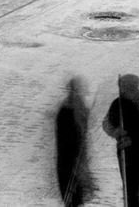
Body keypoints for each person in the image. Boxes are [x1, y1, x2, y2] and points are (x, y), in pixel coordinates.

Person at [102, 74, 139, 207]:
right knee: (130, 191)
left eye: (123, 86)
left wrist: (132, 138)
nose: (121, 89)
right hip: (125, 154)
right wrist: (116, 132)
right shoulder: (117, 104)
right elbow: (107, 123)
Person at [54, 76, 94, 206]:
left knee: (75, 195)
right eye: (81, 89)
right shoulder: (68, 109)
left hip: (74, 157)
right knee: (72, 194)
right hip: (71, 158)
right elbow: (71, 136)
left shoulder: (76, 106)